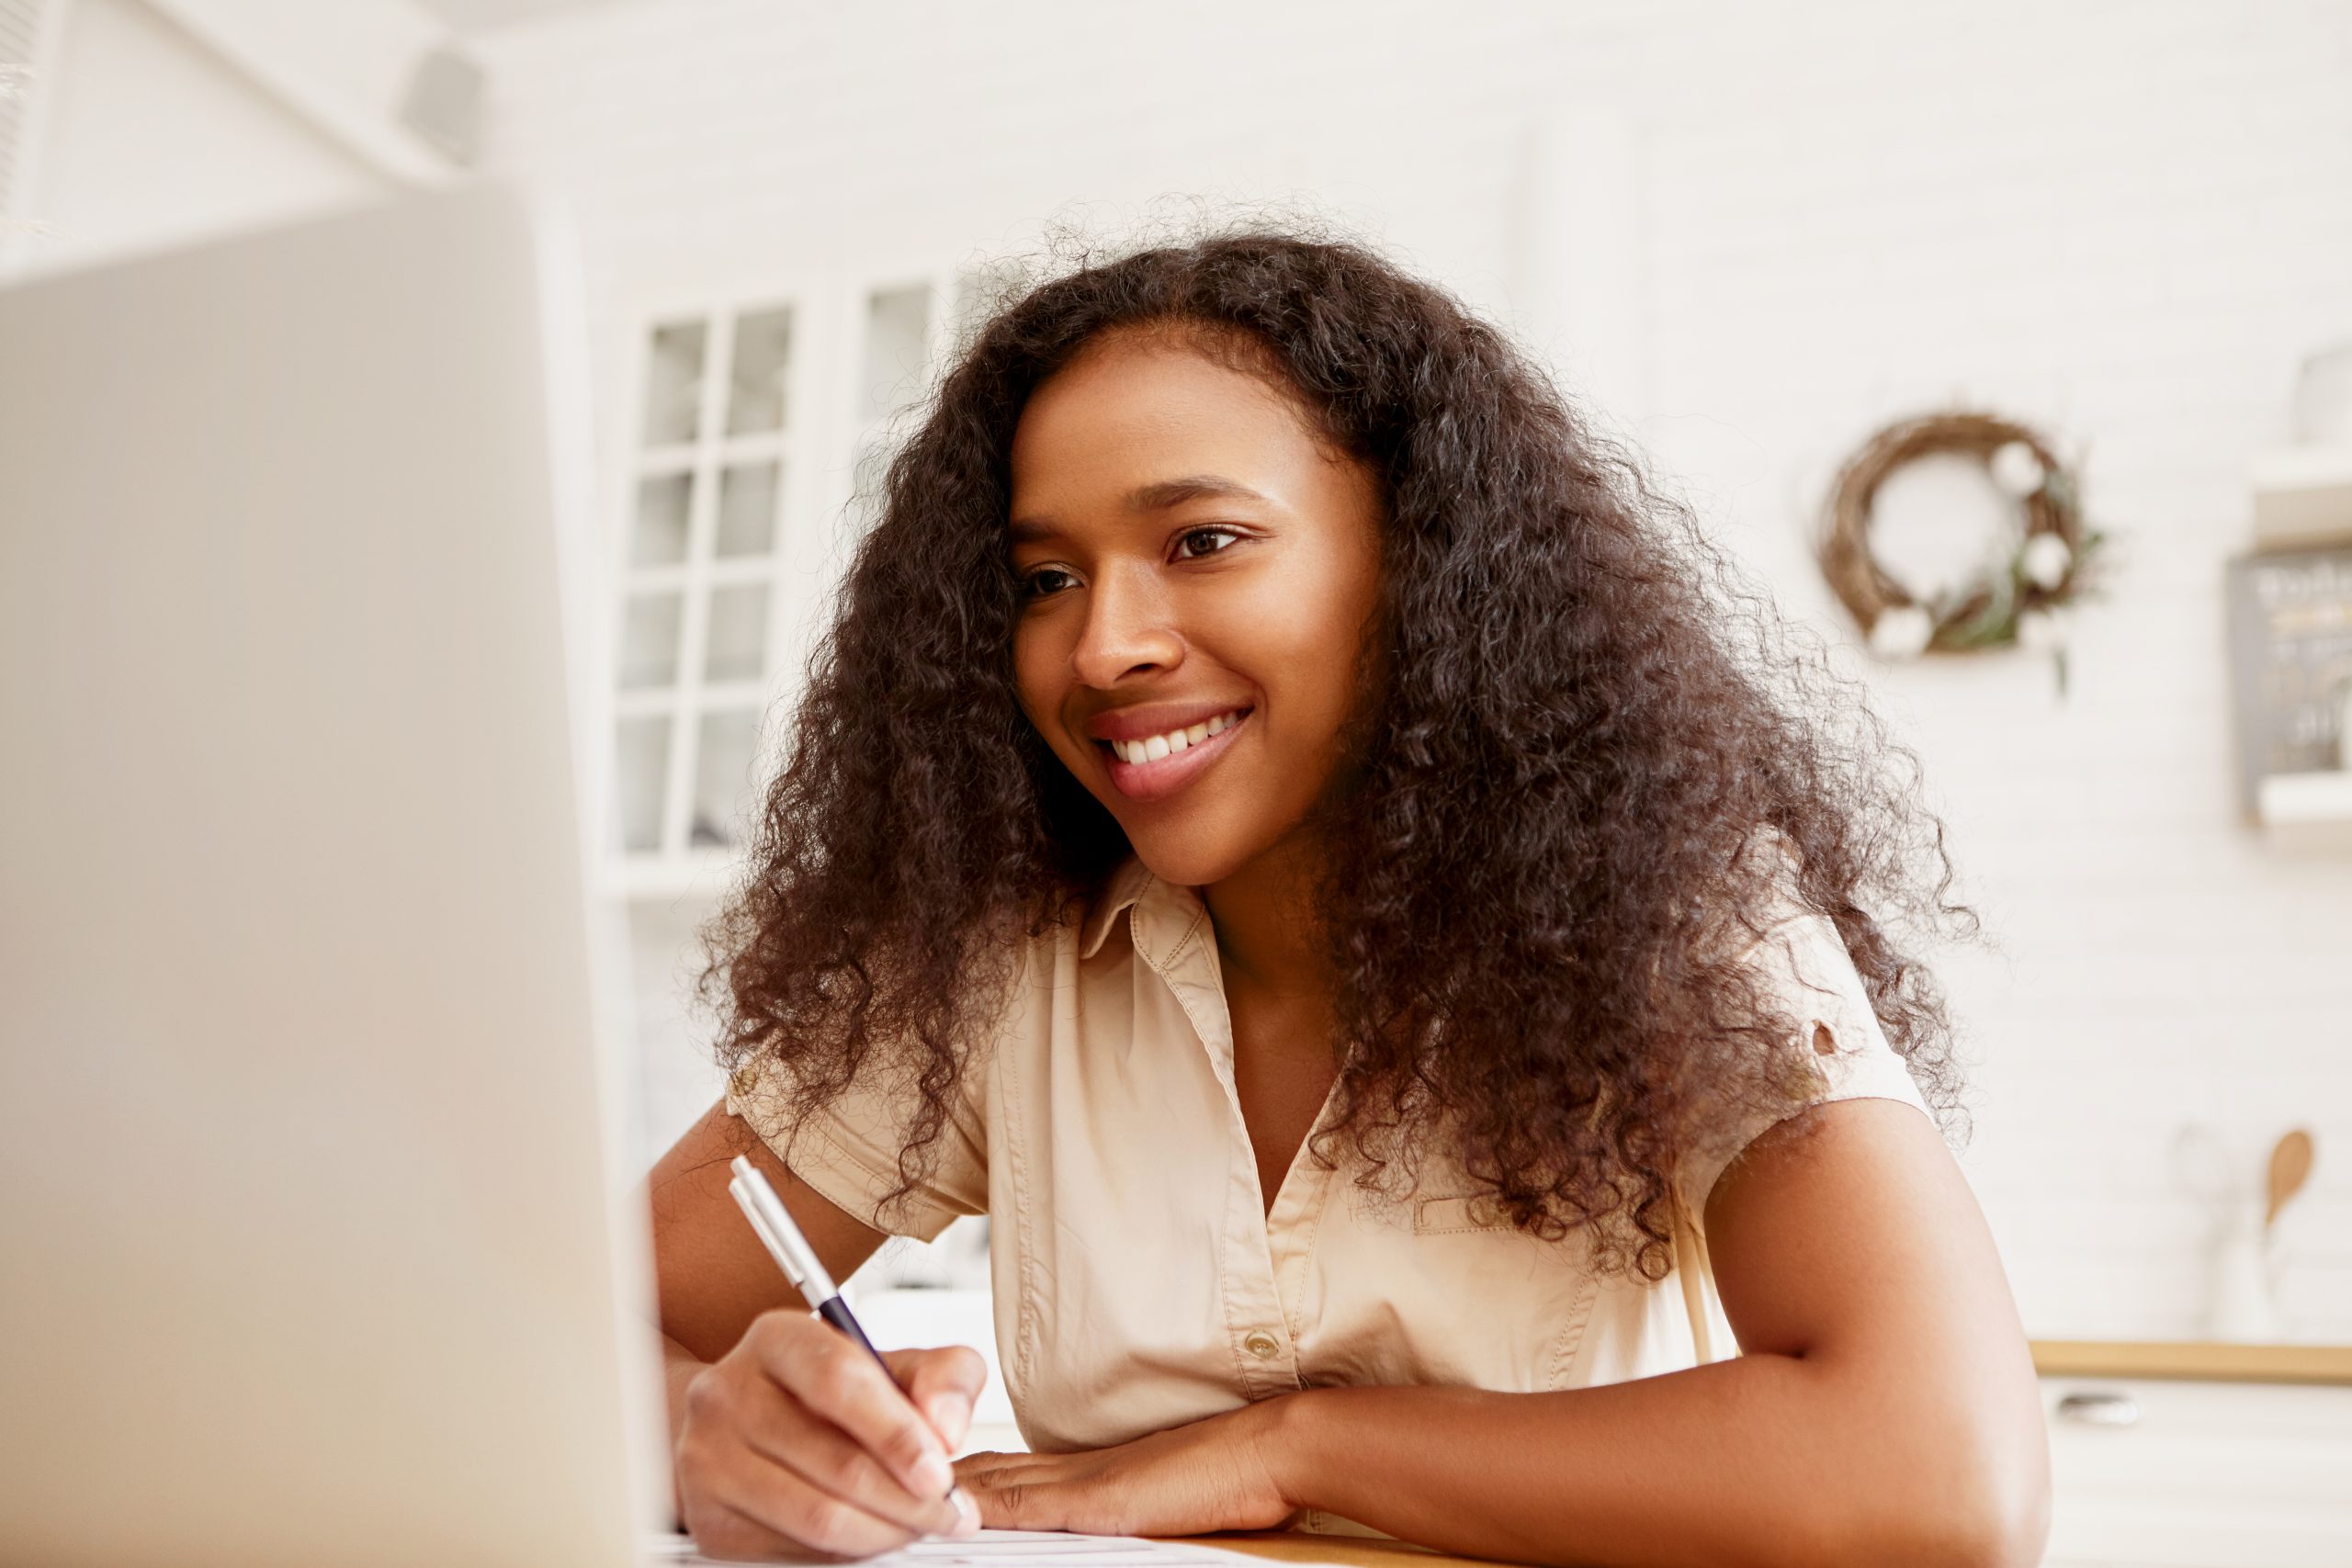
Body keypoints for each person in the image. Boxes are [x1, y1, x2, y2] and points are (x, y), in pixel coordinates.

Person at [645, 229, 2052, 1567]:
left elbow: (1943, 1476)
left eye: (1201, 541)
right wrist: (714, 1441)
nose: (1104, 646)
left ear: (1420, 569)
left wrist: (1298, 1450)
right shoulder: (1000, 955)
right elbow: (550, 1343)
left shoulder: (1677, 917)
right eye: (1047, 580)